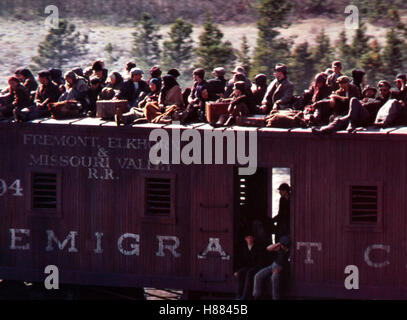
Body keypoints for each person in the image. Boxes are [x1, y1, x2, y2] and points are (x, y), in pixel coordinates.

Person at [252, 235, 290, 300]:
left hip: (280, 268)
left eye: (284, 245)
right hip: (273, 265)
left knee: (274, 278)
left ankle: (275, 298)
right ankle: (256, 296)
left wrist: (280, 270)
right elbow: (268, 248)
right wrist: (279, 243)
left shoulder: (290, 251)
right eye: (282, 245)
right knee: (258, 275)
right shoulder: (280, 248)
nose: (283, 246)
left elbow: (288, 264)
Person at [234, 231, 265, 300]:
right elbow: (239, 260)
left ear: (253, 239)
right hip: (246, 267)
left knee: (249, 274)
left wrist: (259, 270)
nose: (249, 239)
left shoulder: (257, 248)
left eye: (251, 238)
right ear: (245, 239)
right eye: (248, 238)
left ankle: (244, 296)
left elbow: (260, 261)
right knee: (240, 273)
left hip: (255, 267)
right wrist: (237, 270)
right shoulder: (243, 248)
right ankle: (238, 295)